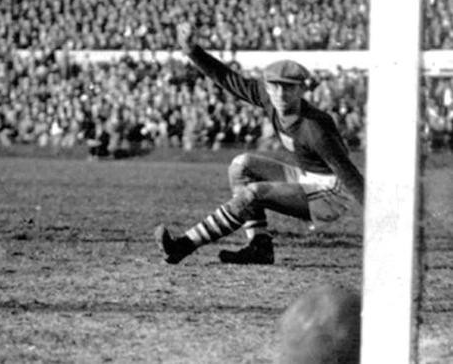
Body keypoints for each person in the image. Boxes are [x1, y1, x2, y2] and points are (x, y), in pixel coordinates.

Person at [154, 25, 364, 265]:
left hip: (331, 196)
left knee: (253, 193)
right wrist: (192, 50)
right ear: (267, 87)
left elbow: (348, 175)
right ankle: (259, 246)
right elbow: (227, 79)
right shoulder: (268, 99)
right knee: (241, 165)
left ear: (302, 89)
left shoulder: (315, 128)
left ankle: (183, 245)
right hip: (308, 178)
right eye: (274, 85)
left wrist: (383, 225)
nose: (280, 93)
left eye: (288, 87)